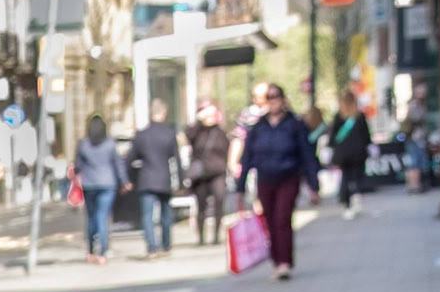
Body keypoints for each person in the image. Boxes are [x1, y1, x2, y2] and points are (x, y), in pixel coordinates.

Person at [236, 83, 320, 279]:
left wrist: (313, 186)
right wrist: (240, 188)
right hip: (265, 178)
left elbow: (307, 156)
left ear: (283, 100)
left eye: (276, 98)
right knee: (271, 220)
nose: (273, 102)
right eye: (270, 99)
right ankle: (276, 260)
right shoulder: (259, 127)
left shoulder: (295, 124)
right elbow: (247, 157)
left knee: (283, 218)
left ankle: (284, 262)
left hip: (288, 176)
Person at [126, 99, 183, 257]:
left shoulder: (142, 135)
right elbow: (176, 160)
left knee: (147, 216)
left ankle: (152, 247)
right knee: (166, 214)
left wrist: (127, 179)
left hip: (146, 180)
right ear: (163, 113)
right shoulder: (169, 134)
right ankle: (166, 245)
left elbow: (129, 159)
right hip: (164, 179)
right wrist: (182, 180)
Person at [72, 116, 126, 263]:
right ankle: (103, 253)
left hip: (89, 185)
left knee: (91, 219)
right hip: (108, 185)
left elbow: (77, 166)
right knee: (103, 217)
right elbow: (117, 164)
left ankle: (90, 251)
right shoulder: (109, 144)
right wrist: (124, 181)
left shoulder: (83, 145)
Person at [184, 101, 230, 245]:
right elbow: (189, 137)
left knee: (219, 202)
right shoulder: (197, 131)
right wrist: (199, 120)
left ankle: (216, 235)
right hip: (201, 174)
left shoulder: (220, 132)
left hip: (218, 172)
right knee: (201, 206)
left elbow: (226, 148)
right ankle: (201, 237)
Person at [330, 96, 372, 214]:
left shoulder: (339, 116)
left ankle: (347, 203)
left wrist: (332, 148)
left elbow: (333, 136)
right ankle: (356, 194)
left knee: (345, 176)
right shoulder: (359, 116)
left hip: (343, 153)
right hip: (358, 152)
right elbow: (366, 134)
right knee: (357, 175)